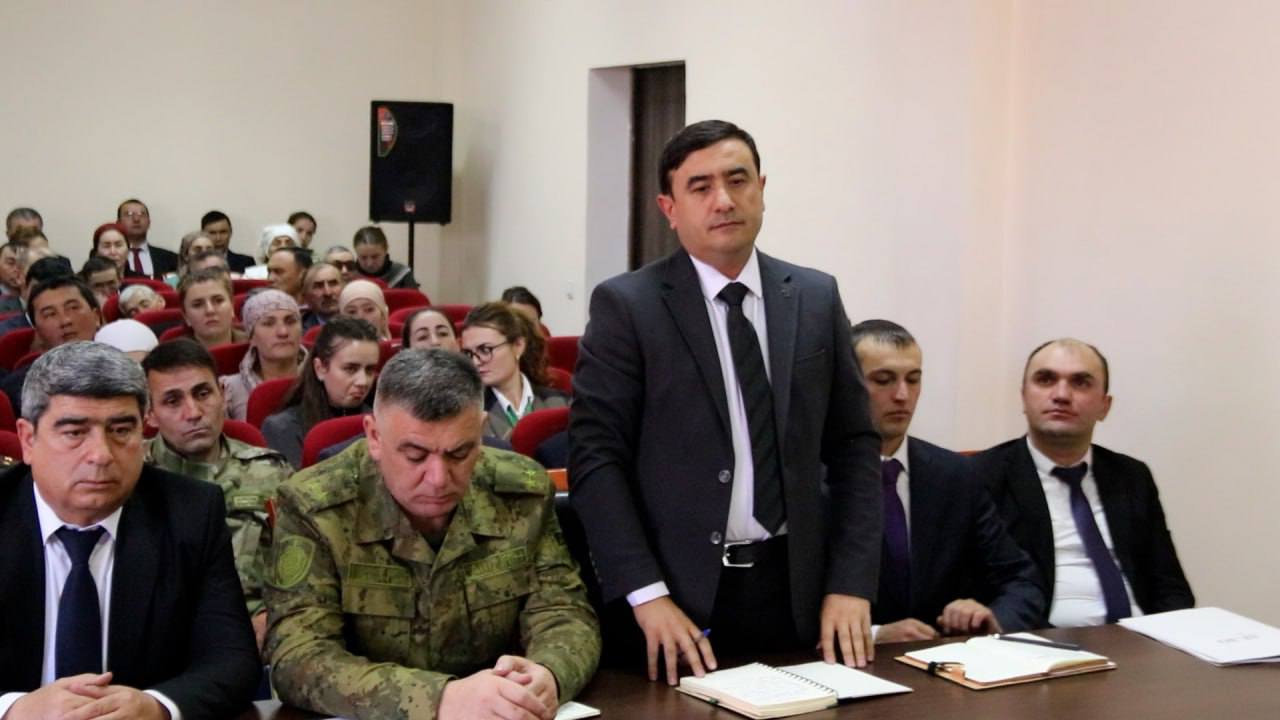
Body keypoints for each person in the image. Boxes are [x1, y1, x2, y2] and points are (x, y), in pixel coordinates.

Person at [569, 120, 882, 681]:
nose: (724, 200)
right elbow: (597, 459)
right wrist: (646, 594)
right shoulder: (629, 307)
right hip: (677, 602)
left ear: (761, 187)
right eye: (701, 187)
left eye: (738, 181)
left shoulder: (814, 296)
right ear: (669, 208)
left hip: (799, 595)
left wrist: (851, 582)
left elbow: (854, 446)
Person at [265, 348, 600, 719]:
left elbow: (564, 612)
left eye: (459, 453)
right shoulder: (315, 506)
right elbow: (297, 657)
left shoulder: (522, 490)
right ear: (374, 436)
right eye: (415, 455)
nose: (438, 479)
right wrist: (440, 699)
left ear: (481, 430)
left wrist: (548, 673)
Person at [0, 342, 261, 718]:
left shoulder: (190, 513)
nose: (101, 454)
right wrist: (12, 708)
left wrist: (158, 706)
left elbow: (232, 659)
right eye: (74, 433)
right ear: (28, 440)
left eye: (121, 430)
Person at [972, 338, 1194, 628]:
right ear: (1024, 397)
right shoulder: (980, 477)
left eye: (1080, 382)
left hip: (1139, 639)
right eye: (1046, 380)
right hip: (1041, 640)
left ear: (1105, 406)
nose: (1061, 395)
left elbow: (1170, 586)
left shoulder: (1131, 476)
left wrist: (1171, 637)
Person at [850, 320, 1043, 642]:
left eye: (913, 380)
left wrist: (991, 618)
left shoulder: (954, 474)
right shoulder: (809, 477)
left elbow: (1021, 580)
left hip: (944, 657)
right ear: (848, 383)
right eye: (883, 380)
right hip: (843, 661)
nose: (902, 395)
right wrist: (874, 634)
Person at [142, 339, 291, 651]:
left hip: (260, 635)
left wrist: (274, 616)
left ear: (223, 394)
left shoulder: (270, 472)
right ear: (150, 414)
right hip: (165, 643)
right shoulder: (131, 477)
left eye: (203, 393)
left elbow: (303, 567)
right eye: (172, 401)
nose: (193, 413)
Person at [262, 317, 379, 468]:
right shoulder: (282, 428)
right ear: (320, 368)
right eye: (350, 369)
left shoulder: (381, 421)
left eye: (369, 370)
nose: (363, 381)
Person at [461, 302, 567, 442]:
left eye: (485, 350)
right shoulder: (468, 411)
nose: (475, 362)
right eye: (469, 353)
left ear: (518, 346)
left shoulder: (561, 402)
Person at [1, 276, 104, 412]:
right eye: (50, 314)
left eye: (73, 308)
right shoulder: (19, 389)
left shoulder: (126, 365)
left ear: (97, 316)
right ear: (37, 330)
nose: (65, 321)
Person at [221, 289, 306, 421]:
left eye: (290, 321)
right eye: (268, 323)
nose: (283, 332)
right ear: (251, 336)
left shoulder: (324, 378)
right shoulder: (230, 391)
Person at [0, 255, 72, 337]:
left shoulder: (79, 329)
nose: (46, 299)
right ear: (25, 289)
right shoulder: (3, 334)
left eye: (57, 292)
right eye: (37, 290)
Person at [178, 269, 246, 348]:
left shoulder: (254, 343)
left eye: (218, 301)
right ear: (186, 316)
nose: (210, 310)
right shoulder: (172, 354)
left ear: (232, 307)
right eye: (197, 305)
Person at [117, 199, 178, 279]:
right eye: (129, 214)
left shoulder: (171, 259)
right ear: (118, 223)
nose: (136, 219)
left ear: (149, 223)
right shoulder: (110, 257)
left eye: (141, 214)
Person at [352, 225, 419, 289]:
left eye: (375, 257)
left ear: (386, 249)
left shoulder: (402, 274)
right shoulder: (349, 275)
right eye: (363, 257)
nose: (370, 263)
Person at [300, 262, 343, 330]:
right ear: (305, 297)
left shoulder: (359, 321)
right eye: (318, 286)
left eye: (333, 284)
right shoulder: (299, 332)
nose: (328, 293)